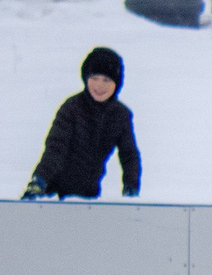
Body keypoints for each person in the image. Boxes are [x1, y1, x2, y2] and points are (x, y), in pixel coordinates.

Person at [22, 47, 140, 200]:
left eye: (106, 80)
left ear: (116, 84)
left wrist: (131, 187)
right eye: (95, 78)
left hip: (88, 194)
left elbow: (129, 155)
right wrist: (39, 181)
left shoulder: (120, 115)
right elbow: (55, 148)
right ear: (85, 78)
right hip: (54, 191)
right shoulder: (71, 108)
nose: (99, 86)